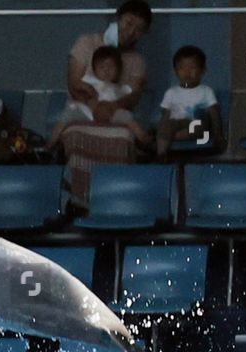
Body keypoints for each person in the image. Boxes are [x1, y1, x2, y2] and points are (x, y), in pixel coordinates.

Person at [62, 1, 152, 208]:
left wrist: (111, 107)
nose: (131, 32)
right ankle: (79, 199)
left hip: (115, 117)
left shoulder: (137, 61)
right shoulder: (86, 42)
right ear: (118, 18)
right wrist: (94, 105)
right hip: (83, 111)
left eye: (139, 30)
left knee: (123, 136)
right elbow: (74, 83)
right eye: (129, 24)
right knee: (75, 134)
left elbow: (133, 97)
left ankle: (114, 197)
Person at [47, 45, 150, 150]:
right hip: (87, 112)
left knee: (125, 115)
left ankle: (142, 137)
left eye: (111, 67)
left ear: (118, 70)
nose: (106, 70)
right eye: (102, 67)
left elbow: (132, 93)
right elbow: (78, 89)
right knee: (68, 113)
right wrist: (88, 94)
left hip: (109, 114)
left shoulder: (119, 88)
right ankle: (53, 140)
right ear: (95, 69)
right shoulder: (89, 81)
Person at [157, 46, 222, 157]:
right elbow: (166, 114)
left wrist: (218, 134)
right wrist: (163, 127)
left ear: (202, 70)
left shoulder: (206, 91)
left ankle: (174, 136)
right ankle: (161, 154)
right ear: (176, 71)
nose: (187, 72)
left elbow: (214, 113)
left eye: (192, 67)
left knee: (201, 125)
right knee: (166, 125)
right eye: (182, 68)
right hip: (177, 123)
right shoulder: (171, 92)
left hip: (197, 123)